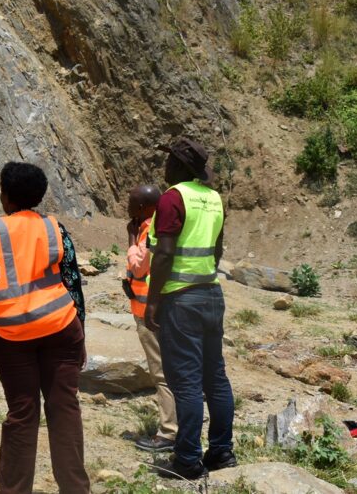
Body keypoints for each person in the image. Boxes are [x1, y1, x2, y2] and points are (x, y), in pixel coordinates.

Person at [0, 162, 90, 494]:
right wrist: (81, 333)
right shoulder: (53, 227)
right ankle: (76, 489)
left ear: (5, 196)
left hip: (11, 336)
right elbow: (72, 280)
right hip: (61, 328)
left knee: (22, 412)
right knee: (64, 407)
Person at [144, 138, 235, 480]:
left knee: (185, 383)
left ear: (180, 166)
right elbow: (218, 247)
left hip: (180, 299)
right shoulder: (213, 198)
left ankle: (186, 461)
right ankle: (222, 451)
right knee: (216, 378)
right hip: (211, 294)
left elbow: (165, 253)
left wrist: (153, 301)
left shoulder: (173, 197)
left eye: (170, 161)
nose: (165, 167)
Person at [122, 184, 177, 453]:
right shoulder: (165, 224)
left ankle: (168, 433)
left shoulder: (148, 230)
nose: (127, 207)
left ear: (144, 208)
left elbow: (140, 266)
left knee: (161, 372)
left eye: (132, 203)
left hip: (149, 313)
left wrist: (131, 241)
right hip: (166, 308)